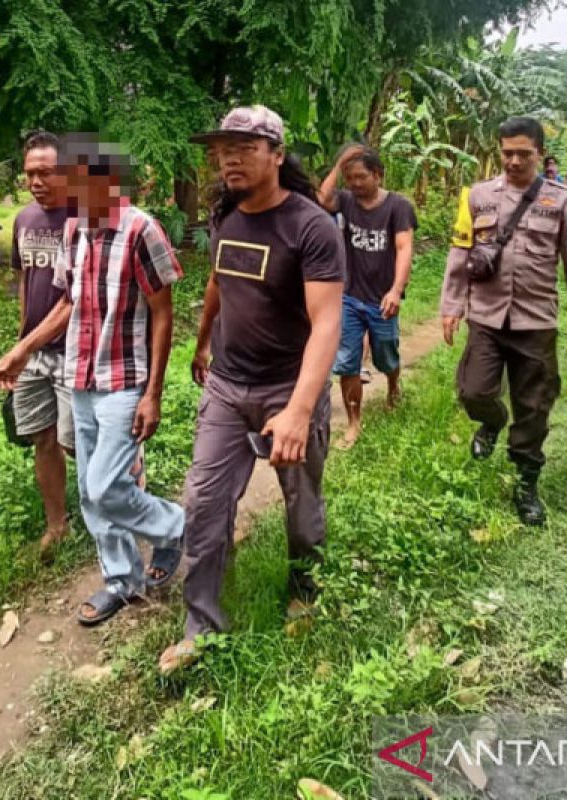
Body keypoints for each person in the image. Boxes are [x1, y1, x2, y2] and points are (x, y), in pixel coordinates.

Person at [159, 106, 344, 673]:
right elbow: (220, 277)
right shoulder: (226, 214)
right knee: (204, 503)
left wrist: (298, 410)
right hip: (226, 388)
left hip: (288, 389)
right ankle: (202, 627)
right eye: (222, 148)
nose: (229, 158)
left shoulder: (311, 227)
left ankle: (305, 584)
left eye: (245, 146)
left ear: (277, 154)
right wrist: (202, 340)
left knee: (301, 504)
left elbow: (328, 324)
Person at [0, 134, 185, 626]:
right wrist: (23, 348)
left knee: (103, 486)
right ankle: (122, 581)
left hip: (125, 379)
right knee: (88, 491)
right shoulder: (75, 230)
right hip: (79, 377)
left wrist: (154, 393)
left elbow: (163, 312)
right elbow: (66, 302)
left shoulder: (143, 230)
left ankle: (173, 525)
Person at [442, 117, 567, 527]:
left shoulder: (563, 201)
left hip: (535, 322)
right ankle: (492, 422)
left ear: (539, 153)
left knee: (533, 408)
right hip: (486, 318)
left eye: (523, 154)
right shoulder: (478, 196)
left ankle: (525, 482)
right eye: (507, 153)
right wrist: (451, 305)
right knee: (474, 391)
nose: (514, 161)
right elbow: (461, 254)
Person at [318, 144, 417, 449]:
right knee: (347, 363)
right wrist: (339, 164)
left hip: (382, 299)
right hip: (349, 296)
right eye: (350, 177)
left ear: (378, 174)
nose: (354, 183)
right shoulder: (346, 201)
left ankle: (392, 385)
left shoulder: (398, 207)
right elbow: (322, 198)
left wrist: (396, 290)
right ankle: (353, 423)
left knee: (386, 356)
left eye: (361, 176)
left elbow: (404, 249)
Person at [7, 131, 76, 556]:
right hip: (33, 352)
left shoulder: (84, 220)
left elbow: (76, 298)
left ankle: (124, 496)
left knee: (77, 441)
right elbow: (24, 281)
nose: (37, 181)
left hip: (75, 350)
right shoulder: (23, 220)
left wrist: (23, 347)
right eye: (30, 173)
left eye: (46, 172)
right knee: (42, 439)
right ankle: (57, 525)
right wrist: (23, 339)